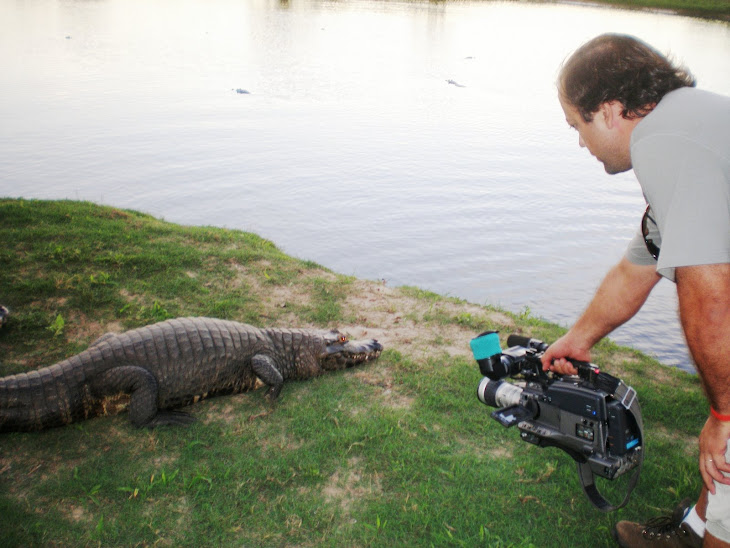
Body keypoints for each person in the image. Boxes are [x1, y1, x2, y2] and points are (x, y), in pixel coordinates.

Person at [539, 34, 730, 547]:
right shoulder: (682, 124)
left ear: (605, 112)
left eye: (576, 126)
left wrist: (724, 415)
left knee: (729, 451)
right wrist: (578, 339)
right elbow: (639, 264)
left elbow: (709, 291)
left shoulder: (661, 143)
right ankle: (695, 530)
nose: (581, 142)